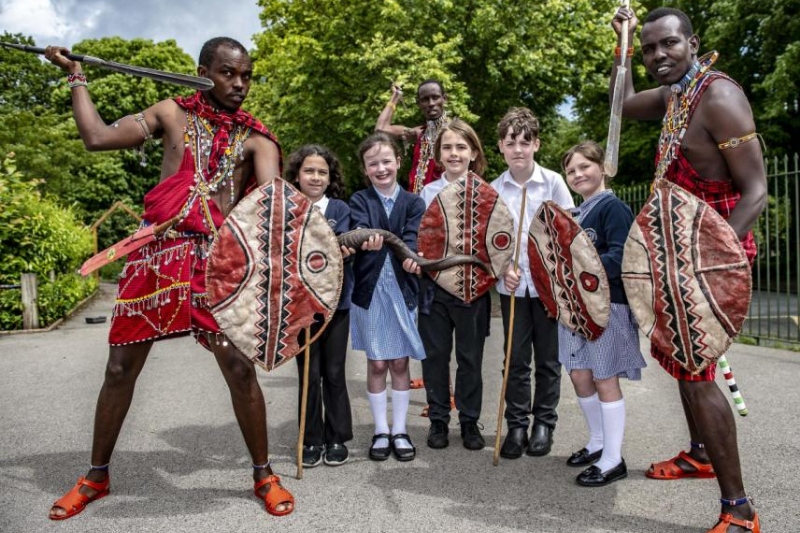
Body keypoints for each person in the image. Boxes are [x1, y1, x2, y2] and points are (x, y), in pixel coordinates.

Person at [43, 37, 294, 519]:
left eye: (246, 76)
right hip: (157, 255)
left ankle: (264, 475)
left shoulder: (257, 139)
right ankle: (96, 476)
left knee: (239, 368)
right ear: (203, 72)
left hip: (216, 262)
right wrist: (76, 77)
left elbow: (272, 207)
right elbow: (96, 137)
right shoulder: (170, 113)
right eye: (227, 73)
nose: (239, 84)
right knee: (120, 369)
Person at [612, 7, 766, 532]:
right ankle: (701, 454)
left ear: (693, 43)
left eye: (669, 44)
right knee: (683, 362)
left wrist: (708, 264)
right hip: (679, 253)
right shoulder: (674, 94)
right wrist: (623, 42)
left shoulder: (718, 98)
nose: (659, 56)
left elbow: (756, 191)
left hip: (712, 259)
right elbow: (624, 105)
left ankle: (739, 511)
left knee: (697, 373)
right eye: (649, 49)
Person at [558, 141, 646, 487]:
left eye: (584, 166)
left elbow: (621, 255)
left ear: (602, 168)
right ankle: (597, 442)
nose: (578, 174)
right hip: (575, 308)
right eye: (571, 171)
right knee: (580, 375)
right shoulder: (574, 215)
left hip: (607, 307)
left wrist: (580, 271)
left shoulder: (614, 208)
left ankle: (612, 459)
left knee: (604, 378)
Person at [490, 107, 574, 459]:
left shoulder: (553, 183)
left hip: (548, 288)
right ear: (501, 146)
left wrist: (552, 269)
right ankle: (517, 425)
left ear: (536, 144)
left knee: (548, 360)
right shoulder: (494, 189)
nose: (518, 150)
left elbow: (569, 234)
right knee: (515, 360)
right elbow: (488, 241)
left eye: (525, 142)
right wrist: (500, 268)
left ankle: (544, 424)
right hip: (512, 288)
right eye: (511, 143)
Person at [347, 132, 426, 462]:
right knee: (377, 363)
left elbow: (411, 239)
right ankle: (381, 430)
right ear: (365, 169)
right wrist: (363, 239)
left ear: (398, 162)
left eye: (386, 161)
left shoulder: (414, 202)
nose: (381, 168)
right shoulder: (359, 200)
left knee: (399, 362)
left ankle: (400, 430)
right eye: (373, 164)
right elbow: (359, 231)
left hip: (402, 291)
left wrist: (412, 258)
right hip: (369, 292)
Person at [417, 119, 492, 451]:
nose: (454, 153)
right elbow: (421, 239)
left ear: (473, 152)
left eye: (461, 147)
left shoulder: (487, 193)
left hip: (473, 290)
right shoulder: (427, 193)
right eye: (447, 147)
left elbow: (496, 242)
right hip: (435, 289)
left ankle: (469, 421)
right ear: (438, 155)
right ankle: (438, 420)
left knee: (469, 358)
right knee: (435, 357)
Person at [284, 145, 354, 467]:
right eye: (309, 171)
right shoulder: (288, 209)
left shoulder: (340, 208)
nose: (316, 177)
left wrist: (346, 249)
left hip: (336, 304)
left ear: (330, 177)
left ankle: (336, 436)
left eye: (322, 172)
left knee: (334, 372)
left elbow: (342, 246)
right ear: (297, 175)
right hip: (301, 306)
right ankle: (310, 438)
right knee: (309, 374)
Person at [375, 80, 449, 195]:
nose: (431, 103)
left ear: (444, 99)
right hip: (416, 202)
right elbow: (381, 128)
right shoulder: (418, 133)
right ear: (419, 103)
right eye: (425, 99)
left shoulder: (455, 132)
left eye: (435, 97)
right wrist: (395, 97)